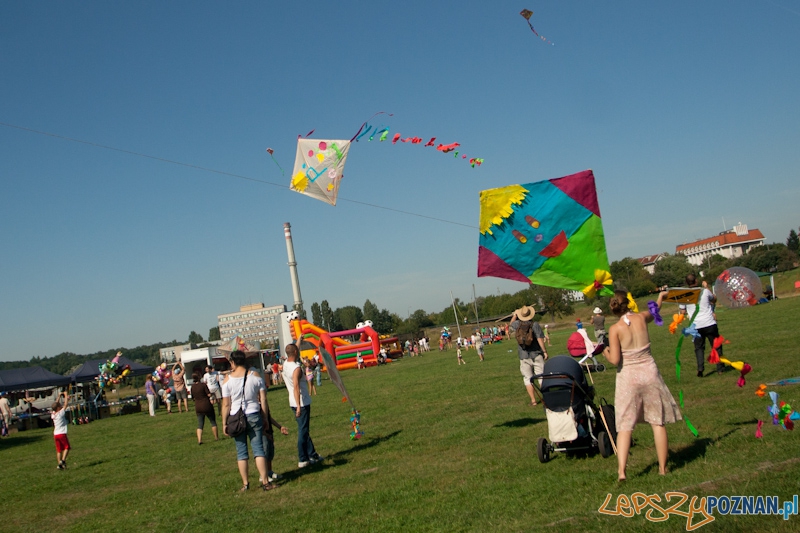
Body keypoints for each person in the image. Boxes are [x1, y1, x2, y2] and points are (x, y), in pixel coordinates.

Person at [601, 289, 681, 481]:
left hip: (628, 377)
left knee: (625, 425)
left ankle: (622, 472)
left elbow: (615, 359)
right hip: (649, 372)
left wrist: (605, 351)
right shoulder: (641, 318)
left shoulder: (615, 329)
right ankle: (662, 468)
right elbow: (654, 312)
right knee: (657, 422)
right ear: (628, 303)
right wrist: (660, 298)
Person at [221, 350, 272, 492]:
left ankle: (245, 484)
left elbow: (226, 404)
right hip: (254, 414)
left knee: (241, 452)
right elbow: (263, 399)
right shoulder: (255, 376)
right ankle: (265, 481)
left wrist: (224, 423)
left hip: (236, 417)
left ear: (232, 362)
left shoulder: (227, 380)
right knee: (258, 450)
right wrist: (265, 417)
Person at [282, 343, 323, 468]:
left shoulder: (285, 364)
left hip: (292, 402)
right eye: (298, 350)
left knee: (304, 429)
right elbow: (296, 386)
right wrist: (299, 406)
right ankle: (302, 459)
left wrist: (299, 340)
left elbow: (293, 348)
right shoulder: (296, 368)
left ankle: (312, 454)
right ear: (295, 352)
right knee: (303, 431)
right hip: (301, 402)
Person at [685, 274, 725, 377]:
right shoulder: (705, 291)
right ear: (696, 281)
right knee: (716, 346)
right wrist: (706, 287)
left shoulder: (684, 295)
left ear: (687, 283)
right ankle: (720, 368)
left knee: (699, 348)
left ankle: (700, 368)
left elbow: (682, 310)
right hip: (709, 323)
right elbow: (714, 299)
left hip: (695, 326)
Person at [510, 305, 548, 406]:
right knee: (541, 376)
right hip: (536, 353)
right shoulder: (534, 324)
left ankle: (533, 400)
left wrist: (515, 314)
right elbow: (540, 338)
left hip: (523, 355)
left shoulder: (517, 324)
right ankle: (546, 398)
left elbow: (511, 324)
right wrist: (544, 351)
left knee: (527, 378)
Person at [260, 397, 289, 485]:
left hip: (269, 429)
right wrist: (264, 432)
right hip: (262, 431)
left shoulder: (264, 401)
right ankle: (263, 475)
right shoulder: (255, 404)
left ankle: (269, 471)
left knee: (270, 451)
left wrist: (279, 427)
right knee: (264, 451)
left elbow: (269, 417)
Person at [191, 368, 218, 444]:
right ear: (199, 377)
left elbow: (192, 397)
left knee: (200, 424)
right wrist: (213, 394)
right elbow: (208, 394)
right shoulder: (203, 385)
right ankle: (216, 437)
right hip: (206, 405)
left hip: (198, 406)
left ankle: (199, 440)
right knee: (213, 421)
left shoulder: (192, 387)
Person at [51, 391, 71, 470]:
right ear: (58, 408)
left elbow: (55, 404)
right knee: (67, 447)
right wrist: (65, 395)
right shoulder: (60, 413)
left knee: (59, 450)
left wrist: (59, 396)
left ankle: (59, 464)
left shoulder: (53, 414)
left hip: (56, 434)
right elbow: (65, 405)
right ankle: (62, 461)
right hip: (62, 433)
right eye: (60, 406)